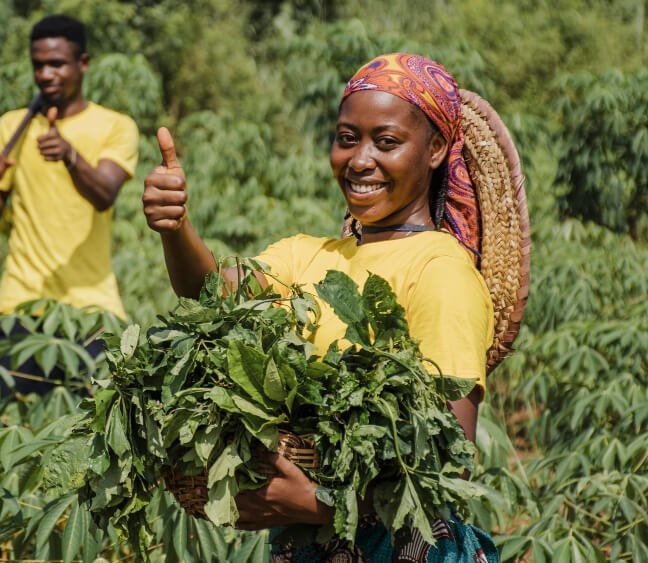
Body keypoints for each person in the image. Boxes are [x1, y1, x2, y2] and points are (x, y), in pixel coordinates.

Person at [143, 53, 499, 561]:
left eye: (387, 142)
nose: (359, 160)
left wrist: (318, 504)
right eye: (347, 138)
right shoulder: (306, 255)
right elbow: (210, 295)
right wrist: (176, 227)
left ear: (436, 148)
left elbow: (449, 464)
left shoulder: (440, 271)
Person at [0, 15, 138, 393]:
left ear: (83, 63)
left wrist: (70, 156)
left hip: (93, 305)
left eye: (57, 64)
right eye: (38, 65)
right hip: (21, 301)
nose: (46, 74)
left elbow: (105, 194)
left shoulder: (115, 125)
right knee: (15, 424)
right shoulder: (13, 126)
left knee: (95, 433)